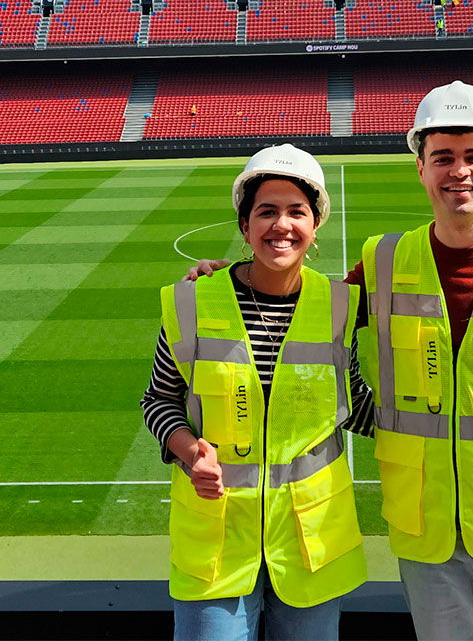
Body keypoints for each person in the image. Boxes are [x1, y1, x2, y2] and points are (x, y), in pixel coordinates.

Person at [186, 83, 473, 641]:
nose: (458, 171)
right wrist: (233, 282)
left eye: (472, 156)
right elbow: (308, 313)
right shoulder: (385, 262)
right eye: (443, 158)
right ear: (421, 168)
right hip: (428, 538)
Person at [145, 144, 374, 640]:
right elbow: (159, 400)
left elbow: (353, 405)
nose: (281, 225)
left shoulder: (339, 305)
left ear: (315, 227)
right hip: (219, 546)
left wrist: (464, 423)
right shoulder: (191, 302)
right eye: (265, 212)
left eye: (297, 211)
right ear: (245, 226)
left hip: (311, 546)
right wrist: (189, 451)